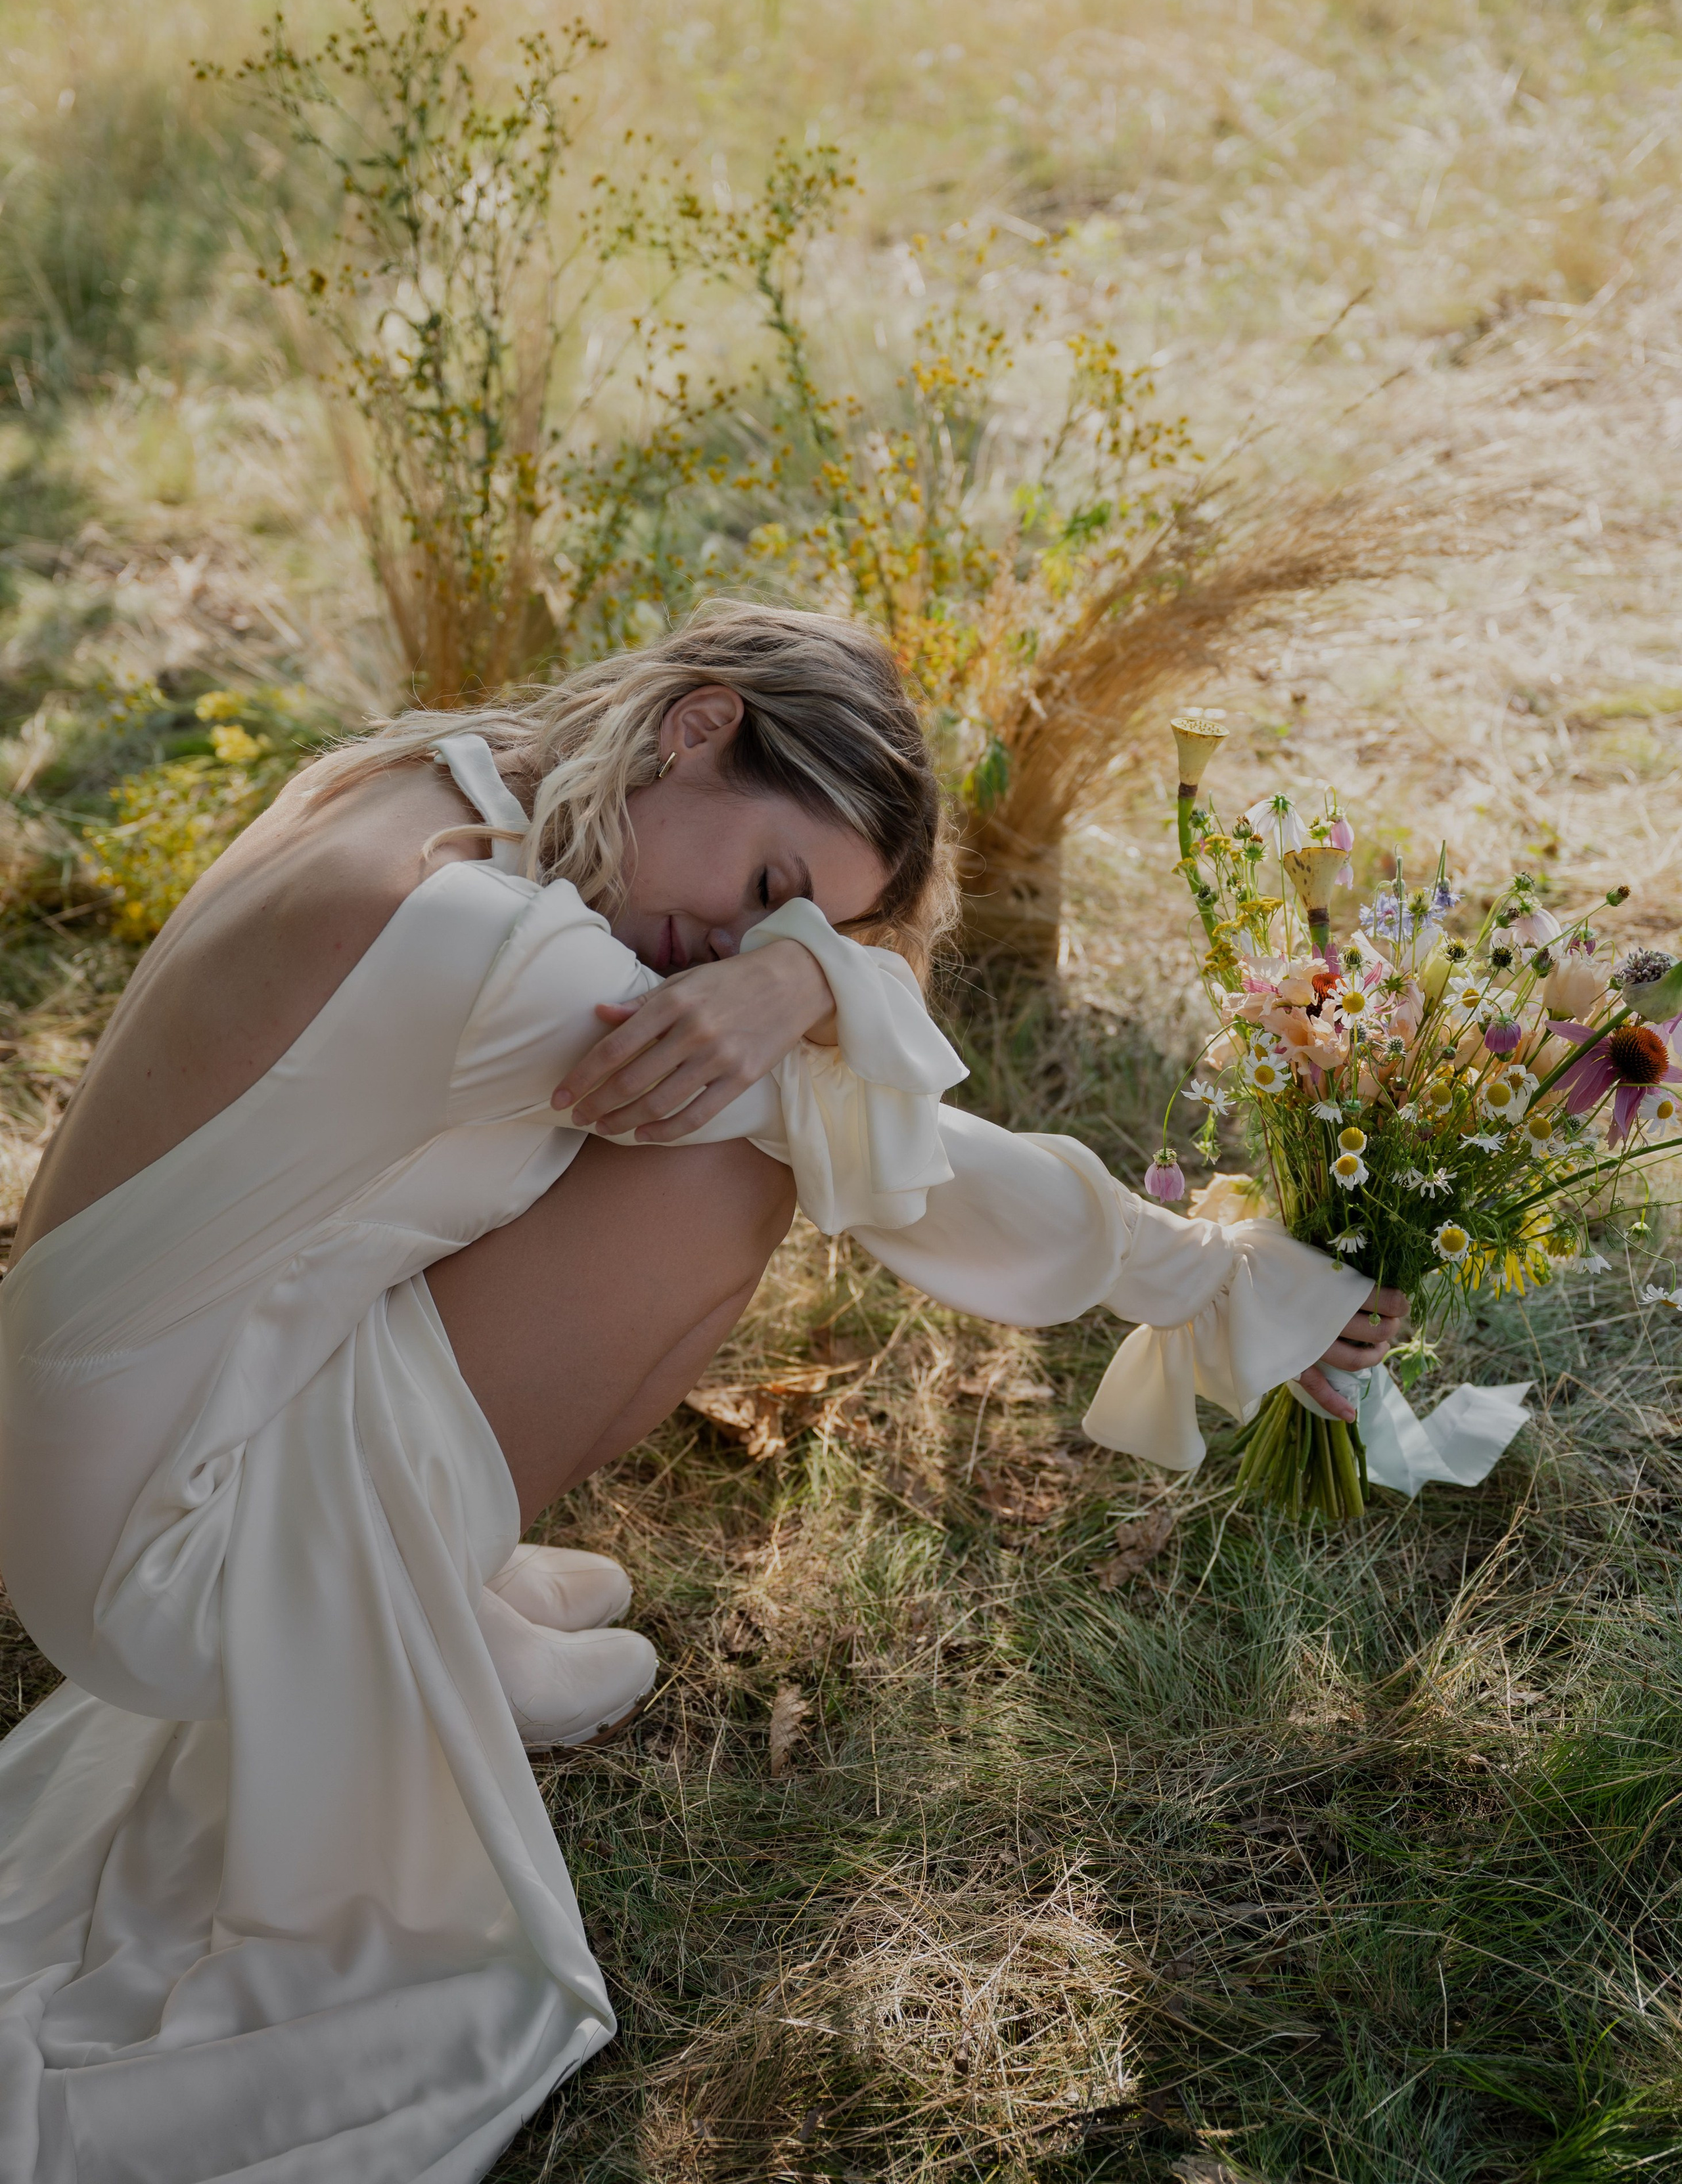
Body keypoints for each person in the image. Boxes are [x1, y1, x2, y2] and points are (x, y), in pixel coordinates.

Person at [0, 603, 1402, 2181]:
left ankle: (414, 1596)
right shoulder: (486, 955)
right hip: (160, 1557)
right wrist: (1213, 1276)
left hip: (94, 1450)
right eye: (765, 891)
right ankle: (372, 1607)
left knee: (709, 1101)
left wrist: (791, 974)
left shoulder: (433, 778)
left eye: (785, 928)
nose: (730, 947)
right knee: (733, 1158)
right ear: (698, 724)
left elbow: (803, 1023)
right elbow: (898, 1157)